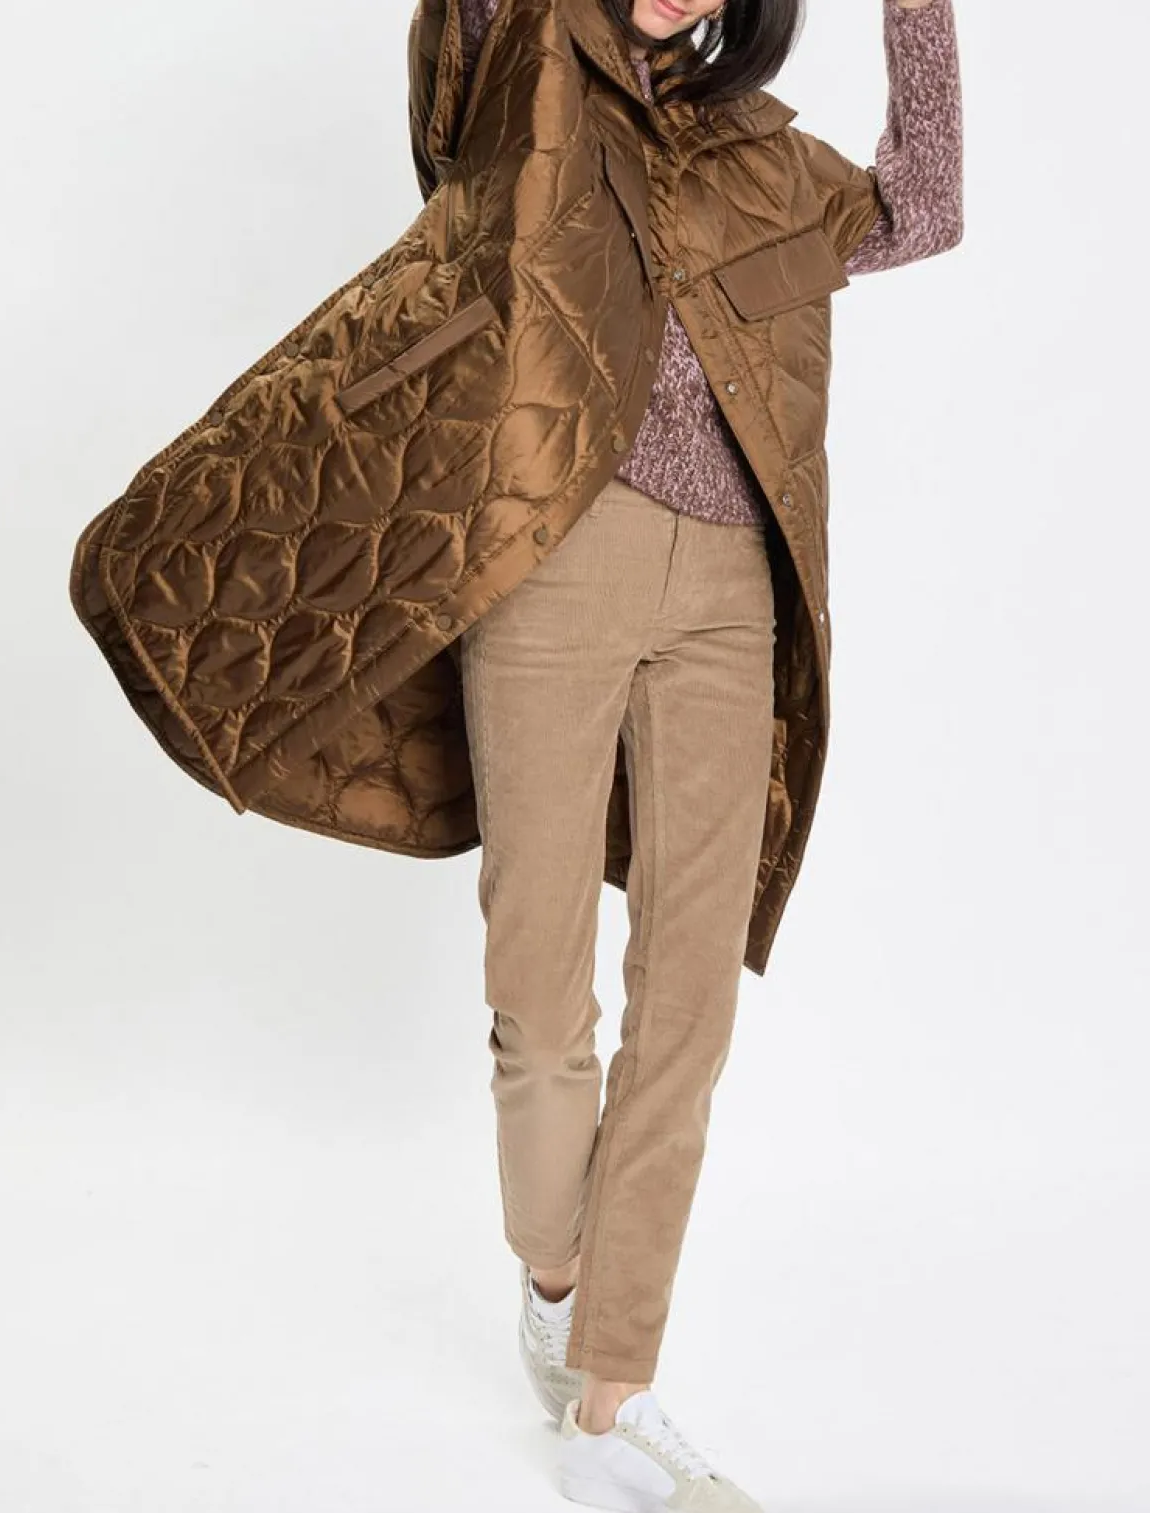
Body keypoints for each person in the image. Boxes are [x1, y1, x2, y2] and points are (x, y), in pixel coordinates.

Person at [448, 0, 964, 1508]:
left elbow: (928, 205)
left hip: (735, 594)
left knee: (688, 1003)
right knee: (539, 993)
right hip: (554, 562)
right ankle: (556, 1279)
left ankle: (615, 1397)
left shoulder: (779, 166)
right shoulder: (532, 90)